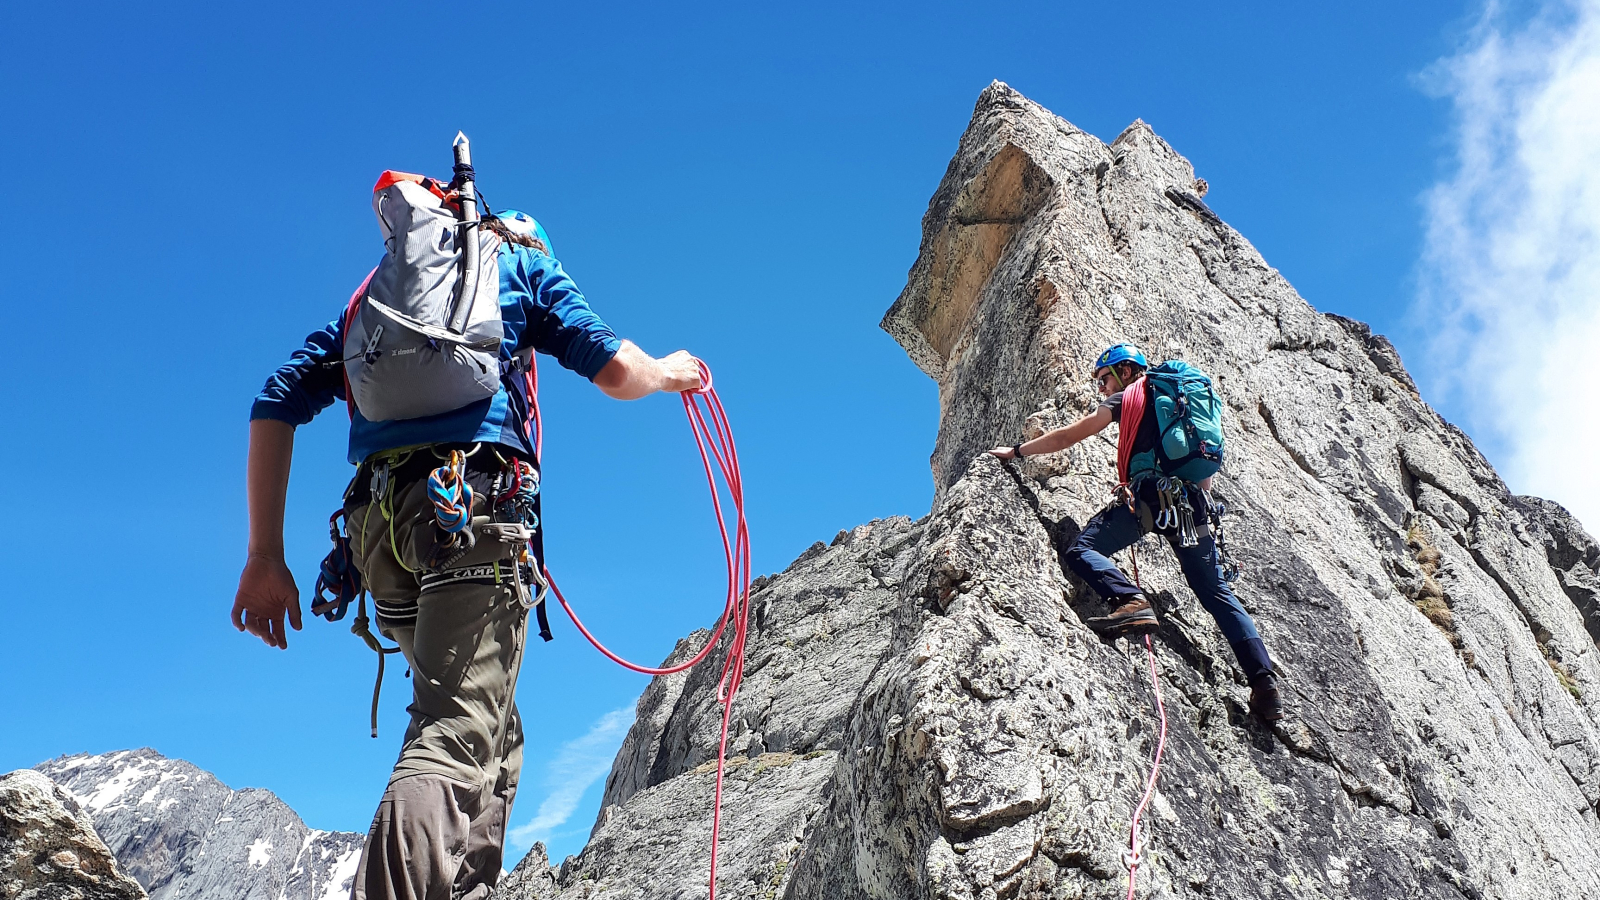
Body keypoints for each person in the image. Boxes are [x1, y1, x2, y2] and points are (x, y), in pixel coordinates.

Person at [233, 206, 702, 900]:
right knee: (454, 730)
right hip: (469, 510)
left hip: (376, 541)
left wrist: (264, 555)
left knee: (493, 729)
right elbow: (617, 370)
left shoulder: (372, 305)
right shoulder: (523, 270)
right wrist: (669, 371)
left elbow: (276, 399)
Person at [988, 343, 1283, 723]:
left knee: (1083, 549)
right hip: (1192, 504)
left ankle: (1130, 601)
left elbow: (1070, 436)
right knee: (1216, 593)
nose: (1101, 389)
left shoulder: (1129, 396)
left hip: (1150, 497)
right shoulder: (1180, 401)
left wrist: (1016, 451)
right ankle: (1263, 682)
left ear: (1125, 371)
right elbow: (1204, 473)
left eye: (1103, 378)